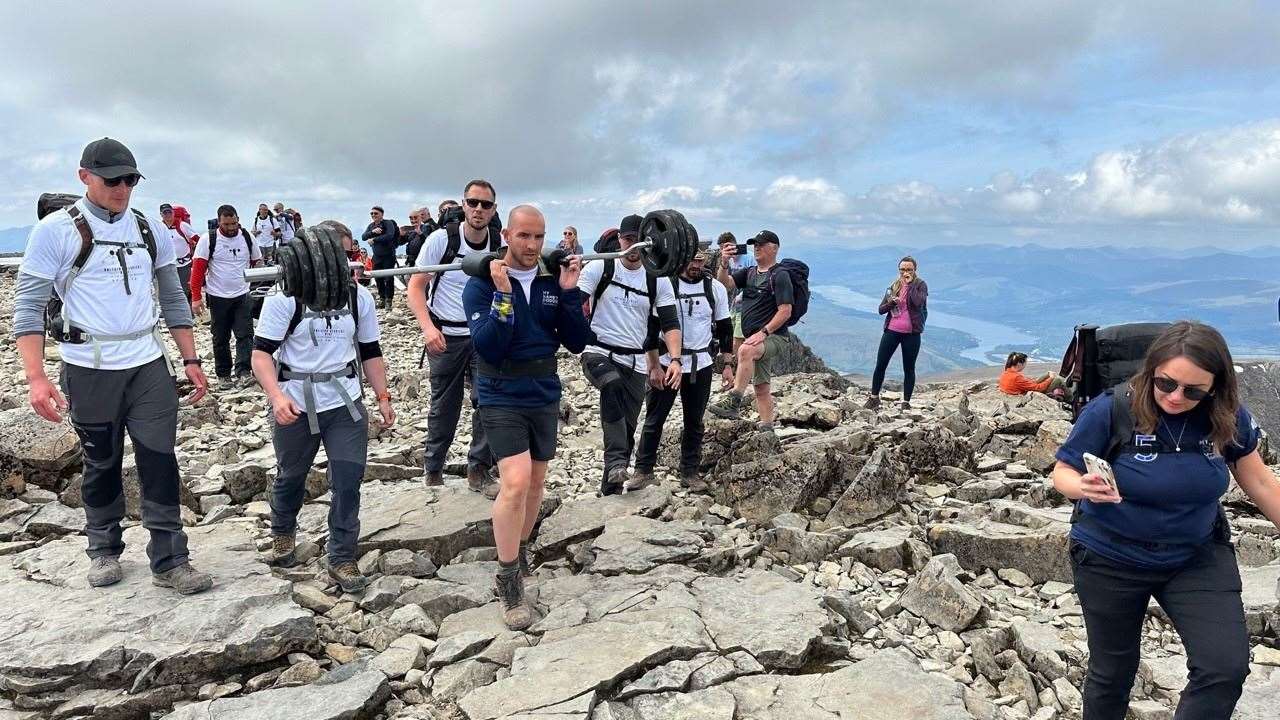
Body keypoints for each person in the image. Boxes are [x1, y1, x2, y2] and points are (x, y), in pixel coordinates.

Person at [12, 137, 213, 594]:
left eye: (130, 180)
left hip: (147, 362)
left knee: (160, 458)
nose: (123, 189)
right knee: (101, 460)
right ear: (84, 177)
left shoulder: (149, 229)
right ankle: (103, 549)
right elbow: (28, 306)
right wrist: (36, 377)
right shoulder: (55, 231)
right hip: (89, 365)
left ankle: (170, 558)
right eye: (112, 180)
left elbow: (173, 295)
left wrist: (191, 358)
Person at [1052, 321, 1280, 719]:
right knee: (1113, 673)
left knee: (1223, 667)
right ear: (1150, 371)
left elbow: (1259, 481)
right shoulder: (1113, 407)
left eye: (1193, 390)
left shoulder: (1226, 417)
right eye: (1165, 384)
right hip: (1110, 556)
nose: (1176, 397)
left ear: (1215, 386)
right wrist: (1083, 487)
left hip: (1195, 554)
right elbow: (1062, 471)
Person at [462, 204, 587, 629]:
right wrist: (502, 295)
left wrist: (570, 293)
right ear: (507, 236)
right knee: (514, 482)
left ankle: (520, 546)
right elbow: (489, 347)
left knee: (536, 483)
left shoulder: (552, 284)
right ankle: (508, 577)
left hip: (543, 391)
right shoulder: (481, 286)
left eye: (539, 237)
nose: (532, 246)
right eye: (524, 236)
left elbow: (575, 342)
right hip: (499, 391)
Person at [252, 229, 395, 594]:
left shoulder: (357, 297)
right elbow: (261, 354)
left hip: (344, 402)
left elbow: (370, 351)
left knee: (348, 480)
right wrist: (276, 396)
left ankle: (342, 556)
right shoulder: (284, 298)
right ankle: (283, 531)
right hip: (296, 403)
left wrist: (382, 396)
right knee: (291, 475)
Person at [407, 180, 502, 495]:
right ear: (464, 204)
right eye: (473, 202)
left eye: (485, 205)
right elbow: (416, 286)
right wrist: (428, 328)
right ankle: (434, 468)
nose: (478, 209)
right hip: (445, 335)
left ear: (493, 210)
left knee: (487, 400)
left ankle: (479, 468)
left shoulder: (497, 244)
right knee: (445, 404)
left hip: (482, 334)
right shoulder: (441, 240)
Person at [578, 214, 681, 495]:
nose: (635, 247)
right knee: (610, 384)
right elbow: (575, 303)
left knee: (626, 427)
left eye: (641, 241)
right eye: (629, 240)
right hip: (597, 351)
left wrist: (673, 360)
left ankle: (610, 490)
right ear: (619, 240)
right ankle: (616, 462)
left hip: (635, 360)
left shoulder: (657, 280)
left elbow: (670, 322)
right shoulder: (601, 268)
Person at [632, 248, 731, 493]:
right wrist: (652, 365)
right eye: (691, 259)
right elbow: (651, 328)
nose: (695, 265)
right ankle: (643, 470)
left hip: (701, 364)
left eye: (700, 260)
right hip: (666, 362)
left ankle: (690, 471)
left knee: (694, 421)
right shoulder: (665, 286)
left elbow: (725, 326)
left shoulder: (714, 288)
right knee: (655, 418)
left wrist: (727, 364)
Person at [708, 230, 792, 431]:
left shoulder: (780, 275)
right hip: (756, 338)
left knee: (745, 350)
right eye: (755, 244)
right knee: (761, 387)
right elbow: (725, 284)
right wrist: (725, 262)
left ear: (774, 248)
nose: (757, 248)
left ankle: (734, 401)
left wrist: (764, 333)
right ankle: (767, 427)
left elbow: (785, 311)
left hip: (775, 337)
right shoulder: (750, 272)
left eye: (761, 244)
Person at [190, 204, 263, 389]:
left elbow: (258, 262)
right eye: (226, 224)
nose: (231, 228)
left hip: (242, 294)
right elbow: (198, 270)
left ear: (238, 220)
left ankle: (244, 372)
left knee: (245, 334)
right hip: (217, 296)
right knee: (220, 336)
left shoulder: (247, 237)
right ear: (219, 222)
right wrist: (196, 297)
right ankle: (223, 374)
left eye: (234, 223)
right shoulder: (208, 240)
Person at [864, 256, 928, 411]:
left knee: (909, 368)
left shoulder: (920, 285)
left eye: (909, 270)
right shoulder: (893, 286)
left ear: (914, 270)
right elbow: (881, 310)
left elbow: (918, 302)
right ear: (899, 270)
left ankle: (906, 402)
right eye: (902, 270)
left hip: (912, 334)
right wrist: (892, 302)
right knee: (881, 364)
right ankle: (874, 398)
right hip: (892, 331)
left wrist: (909, 284)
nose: (905, 272)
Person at [362, 206, 401, 309]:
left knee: (388, 278)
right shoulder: (371, 226)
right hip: (377, 256)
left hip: (389, 255)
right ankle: (382, 298)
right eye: (372, 214)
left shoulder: (388, 223)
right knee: (378, 277)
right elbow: (363, 237)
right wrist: (373, 232)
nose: (373, 215)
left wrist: (374, 240)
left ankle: (389, 300)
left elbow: (390, 235)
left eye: (376, 213)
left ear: (382, 214)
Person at [159, 203, 199, 303]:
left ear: (173, 213)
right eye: (165, 212)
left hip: (184, 265)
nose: (168, 214)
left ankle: (188, 311)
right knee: (169, 289)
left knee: (184, 289)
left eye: (170, 212)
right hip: (168, 265)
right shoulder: (159, 228)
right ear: (161, 214)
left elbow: (198, 239)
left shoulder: (182, 225)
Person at [999, 352, 1070, 399]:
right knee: (1058, 380)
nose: (1025, 365)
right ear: (1019, 364)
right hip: (1031, 394)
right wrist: (1051, 378)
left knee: (1047, 374)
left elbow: (1026, 384)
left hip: (1024, 390)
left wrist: (1048, 376)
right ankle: (1071, 398)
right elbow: (1038, 388)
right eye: (1025, 363)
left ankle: (1053, 378)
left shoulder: (1006, 372)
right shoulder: (1016, 377)